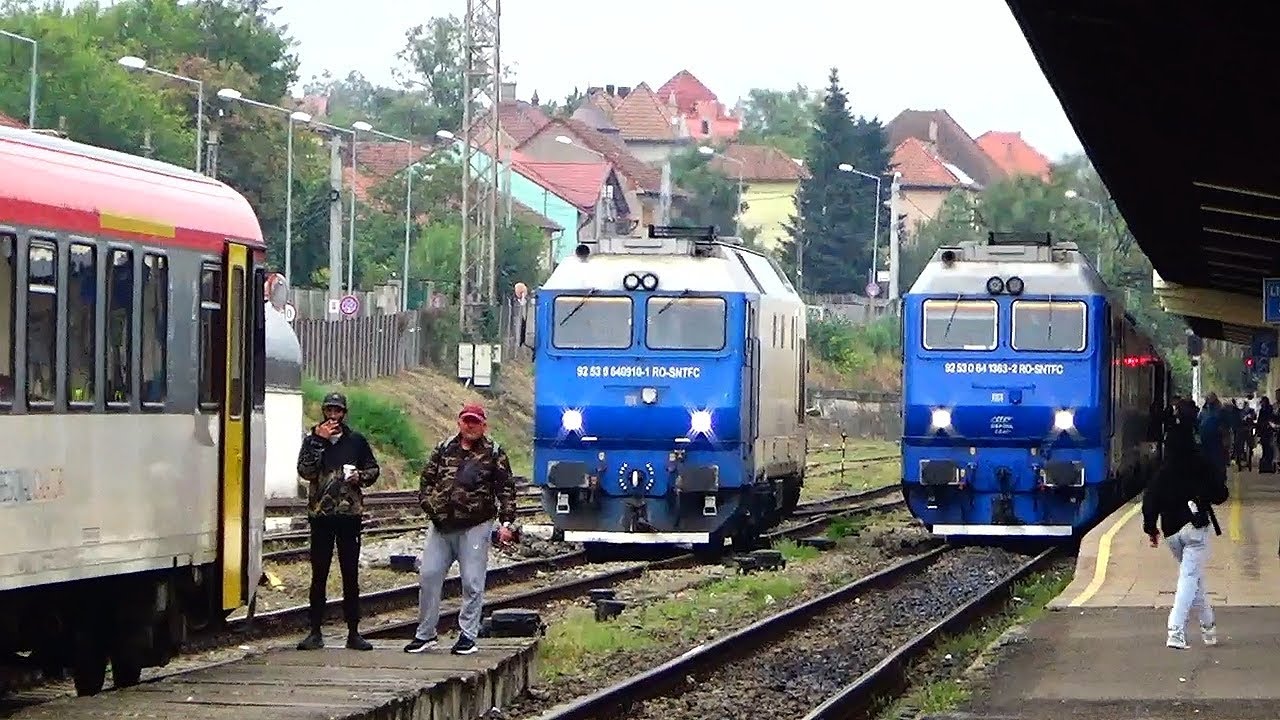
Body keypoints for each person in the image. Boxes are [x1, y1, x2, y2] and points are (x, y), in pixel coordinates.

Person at [404, 403, 518, 655]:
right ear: (459, 422)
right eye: (466, 420)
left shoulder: (494, 453)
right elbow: (426, 480)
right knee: (429, 575)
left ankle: (467, 635)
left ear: (483, 425)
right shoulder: (444, 448)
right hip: (441, 525)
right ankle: (425, 634)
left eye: (475, 421)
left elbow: (506, 489)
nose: (470, 425)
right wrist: (430, 505)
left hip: (475, 525)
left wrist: (507, 522)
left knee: (472, 581)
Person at [294, 392, 381, 651]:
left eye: (338, 411)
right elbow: (305, 471)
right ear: (323, 412)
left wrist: (360, 477)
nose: (333, 416)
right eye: (329, 411)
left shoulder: (356, 441)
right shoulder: (312, 440)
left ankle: (353, 632)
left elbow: (373, 470)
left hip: (349, 516)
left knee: (350, 575)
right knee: (318, 574)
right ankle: (315, 631)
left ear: (344, 413)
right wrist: (318, 442)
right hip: (321, 516)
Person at [1142, 398, 1229, 650]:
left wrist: (1151, 528)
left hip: (1170, 532)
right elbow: (1220, 494)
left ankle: (1208, 627)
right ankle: (1175, 630)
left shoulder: (1163, 469)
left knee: (1194, 578)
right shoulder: (1200, 461)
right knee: (1189, 578)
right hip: (1195, 528)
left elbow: (1150, 499)